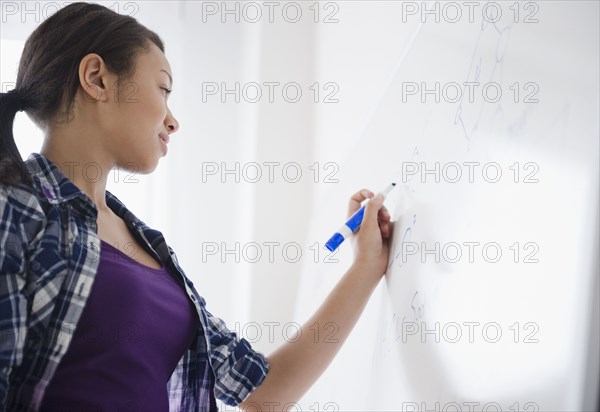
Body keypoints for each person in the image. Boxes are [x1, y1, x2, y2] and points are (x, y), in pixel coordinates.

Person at [0, 2, 392, 411]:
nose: (173, 121)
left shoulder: (148, 245)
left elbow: (266, 392)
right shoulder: (17, 207)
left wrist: (366, 266)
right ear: (97, 78)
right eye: (163, 89)